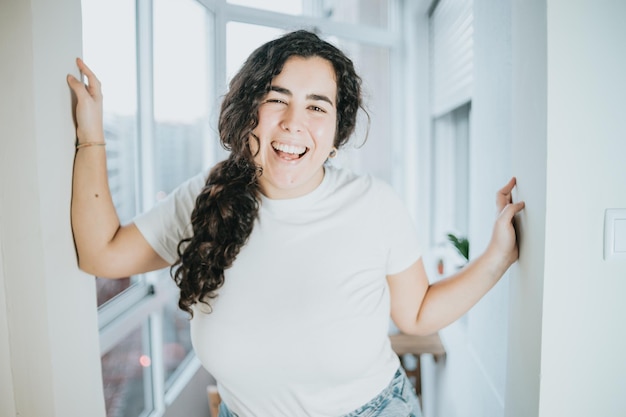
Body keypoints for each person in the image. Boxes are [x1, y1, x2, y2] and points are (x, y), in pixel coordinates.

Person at [67, 30, 525, 417]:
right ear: (248, 111)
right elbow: (101, 253)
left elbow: (418, 314)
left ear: (335, 135)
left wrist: (498, 256)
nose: (292, 123)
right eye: (275, 99)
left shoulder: (374, 205)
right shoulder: (205, 197)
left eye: (317, 107)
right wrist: (90, 134)